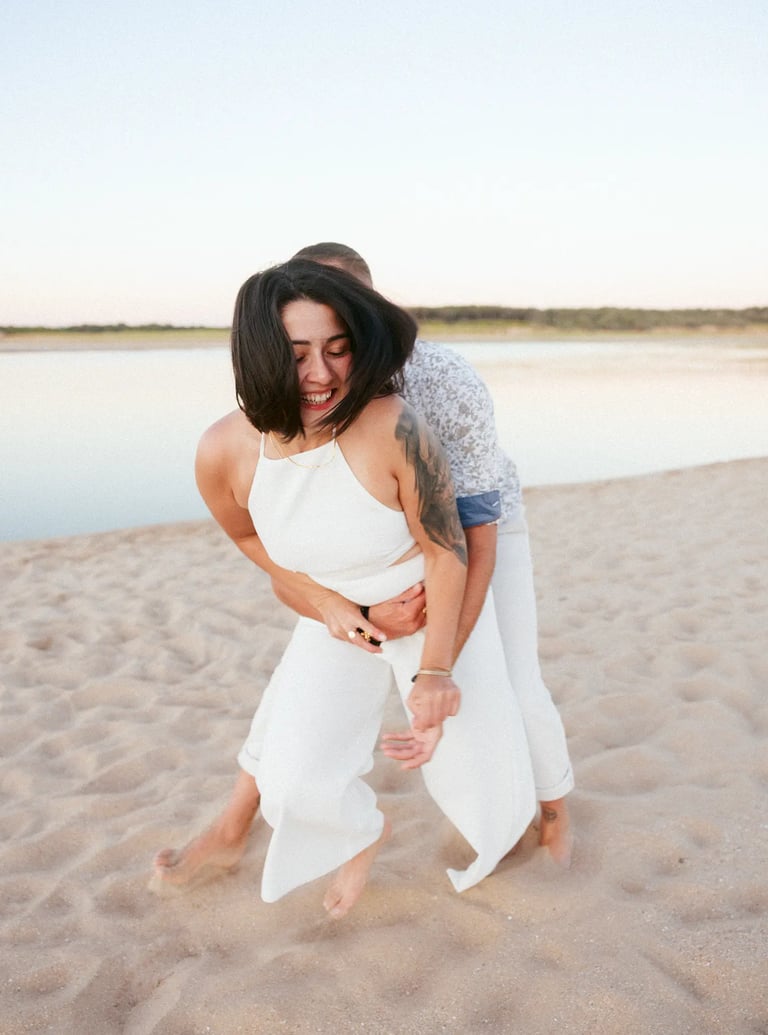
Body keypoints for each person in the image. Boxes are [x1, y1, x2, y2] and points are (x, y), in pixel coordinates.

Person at [153, 260, 536, 916]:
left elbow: (448, 552)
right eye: (297, 354)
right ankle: (363, 831)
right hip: (341, 618)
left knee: (484, 781)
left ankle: (530, 820)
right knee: (291, 782)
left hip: (427, 609)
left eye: (337, 349)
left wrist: (437, 669)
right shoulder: (222, 450)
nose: (321, 374)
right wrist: (335, 605)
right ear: (259, 352)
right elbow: (252, 542)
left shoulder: (395, 426)